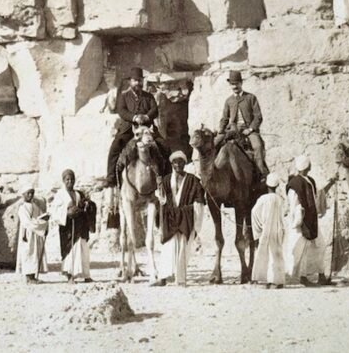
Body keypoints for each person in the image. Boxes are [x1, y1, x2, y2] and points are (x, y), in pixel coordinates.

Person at [153, 151, 205, 286]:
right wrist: (159, 189)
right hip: (170, 217)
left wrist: (197, 219)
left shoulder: (193, 180)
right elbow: (162, 200)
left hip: (185, 217)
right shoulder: (166, 180)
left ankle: (180, 279)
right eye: (175, 163)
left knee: (183, 247)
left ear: (184, 163)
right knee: (167, 247)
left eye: (181, 162)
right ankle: (163, 278)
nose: (178, 165)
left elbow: (199, 200)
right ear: (172, 164)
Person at [106, 67, 158, 188]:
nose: (138, 83)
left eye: (140, 80)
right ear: (130, 81)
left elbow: (155, 110)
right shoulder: (124, 96)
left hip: (146, 129)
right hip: (129, 129)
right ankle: (111, 178)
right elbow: (121, 111)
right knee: (115, 147)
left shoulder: (149, 96)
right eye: (135, 80)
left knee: (163, 145)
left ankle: (165, 178)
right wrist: (134, 118)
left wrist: (146, 117)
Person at [285, 156, 332, 287]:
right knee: (302, 250)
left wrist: (331, 183)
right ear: (307, 166)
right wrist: (299, 222)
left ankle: (321, 275)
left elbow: (318, 195)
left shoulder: (309, 180)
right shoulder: (294, 184)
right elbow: (294, 204)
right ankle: (303, 277)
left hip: (312, 220)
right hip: (301, 222)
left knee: (320, 245)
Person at [216, 70, 269, 178]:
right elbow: (225, 118)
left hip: (249, 130)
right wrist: (220, 130)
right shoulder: (229, 101)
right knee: (214, 143)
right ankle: (212, 174)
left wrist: (250, 129)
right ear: (230, 85)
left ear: (241, 83)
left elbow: (258, 117)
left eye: (236, 83)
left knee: (257, 146)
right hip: (233, 129)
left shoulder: (251, 98)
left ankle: (260, 173)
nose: (234, 86)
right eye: (232, 84)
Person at [52, 169, 97, 283]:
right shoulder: (60, 195)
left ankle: (86, 275)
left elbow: (84, 205)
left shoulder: (78, 194)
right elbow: (54, 211)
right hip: (67, 228)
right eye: (67, 179)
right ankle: (70, 276)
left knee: (83, 250)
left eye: (72, 179)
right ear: (63, 181)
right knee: (70, 251)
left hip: (80, 227)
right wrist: (67, 213)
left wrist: (87, 205)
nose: (70, 182)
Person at [251, 173, 286, 289]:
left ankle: (263, 280)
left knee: (263, 253)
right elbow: (283, 215)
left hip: (266, 230)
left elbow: (254, 212)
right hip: (277, 230)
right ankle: (277, 281)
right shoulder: (280, 199)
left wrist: (258, 227)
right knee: (276, 254)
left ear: (267, 185)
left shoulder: (263, 199)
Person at [16, 187, 50, 284]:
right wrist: (40, 224)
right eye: (28, 193)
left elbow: (40, 217)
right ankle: (28, 278)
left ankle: (33, 276)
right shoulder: (22, 208)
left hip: (35, 233)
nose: (30, 195)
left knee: (35, 254)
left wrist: (45, 222)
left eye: (32, 193)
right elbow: (27, 222)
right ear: (23, 194)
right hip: (27, 234)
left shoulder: (35, 206)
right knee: (28, 253)